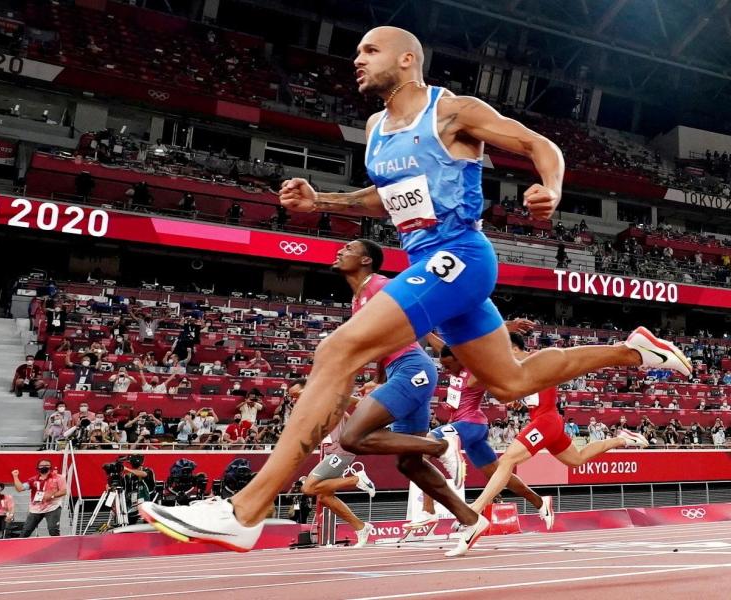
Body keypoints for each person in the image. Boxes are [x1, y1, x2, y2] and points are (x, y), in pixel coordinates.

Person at [135, 25, 690, 554]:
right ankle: (636, 349)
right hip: (429, 261)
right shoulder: (377, 129)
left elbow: (538, 144)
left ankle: (245, 512)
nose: (357, 59)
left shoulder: (450, 110)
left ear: (407, 59)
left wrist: (551, 187)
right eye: (357, 52)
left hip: (462, 256)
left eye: (370, 50)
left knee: (337, 350)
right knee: (510, 381)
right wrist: (324, 202)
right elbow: (386, 196)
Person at [460, 333, 650, 556]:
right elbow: (529, 394)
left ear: (514, 348)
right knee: (576, 459)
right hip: (547, 422)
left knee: (507, 460)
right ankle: (623, 438)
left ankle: (476, 508)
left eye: (505, 351)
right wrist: (519, 401)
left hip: (546, 421)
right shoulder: (518, 371)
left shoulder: (539, 360)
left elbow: (559, 369)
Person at [415, 336, 553, 531]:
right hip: (470, 431)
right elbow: (443, 348)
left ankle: (428, 510)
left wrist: (513, 398)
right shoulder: (452, 358)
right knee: (500, 475)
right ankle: (540, 502)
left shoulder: (475, 374)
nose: (446, 370)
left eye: (448, 365)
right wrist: (424, 327)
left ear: (459, 360)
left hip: (470, 425)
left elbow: (500, 377)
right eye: (443, 365)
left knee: (425, 445)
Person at [296, 380, 377, 547]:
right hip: (332, 452)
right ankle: (361, 527)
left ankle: (355, 480)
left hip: (341, 451)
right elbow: (345, 417)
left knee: (308, 488)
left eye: (297, 393)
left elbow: (346, 399)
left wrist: (360, 401)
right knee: (324, 496)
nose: (295, 398)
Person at [12, 460, 67, 537]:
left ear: (50, 467)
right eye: (41, 465)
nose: (44, 467)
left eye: (46, 465)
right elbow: (20, 488)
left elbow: (64, 491)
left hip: (53, 507)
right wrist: (15, 476)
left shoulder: (59, 478)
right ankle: (19, 547)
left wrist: (51, 496)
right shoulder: (33, 479)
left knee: (53, 529)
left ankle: (58, 547)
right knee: (26, 530)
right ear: (37, 468)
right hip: (36, 508)